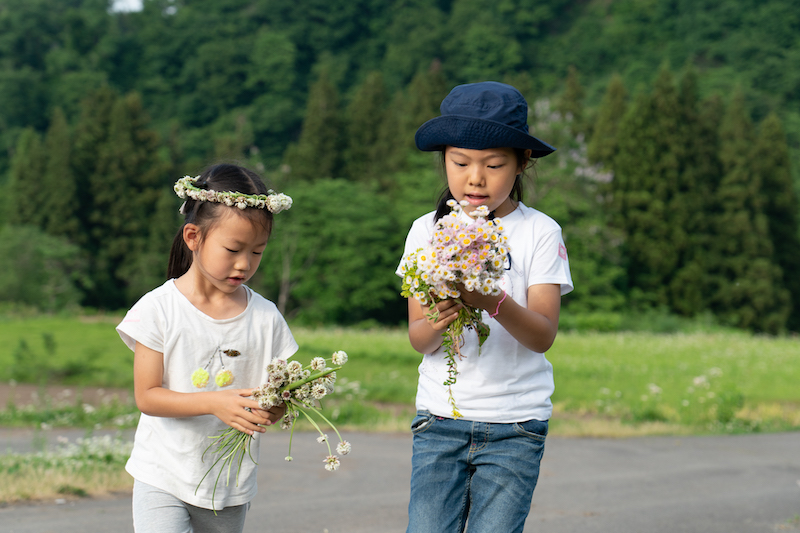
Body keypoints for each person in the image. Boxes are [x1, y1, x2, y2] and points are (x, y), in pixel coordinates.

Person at [396, 81, 574, 533]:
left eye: (494, 165)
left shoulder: (539, 232)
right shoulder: (426, 231)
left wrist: (491, 300)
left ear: (521, 163)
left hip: (516, 424)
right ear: (445, 161)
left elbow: (542, 336)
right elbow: (419, 339)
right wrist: (443, 314)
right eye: (460, 163)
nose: (475, 177)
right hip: (439, 417)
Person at [117, 163, 297, 533]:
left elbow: (274, 400)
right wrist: (217, 401)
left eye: (258, 252)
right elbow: (147, 396)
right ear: (193, 237)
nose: (245, 264)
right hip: (162, 474)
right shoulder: (158, 309)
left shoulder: (265, 317)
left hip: (227, 485)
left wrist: (276, 407)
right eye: (232, 249)